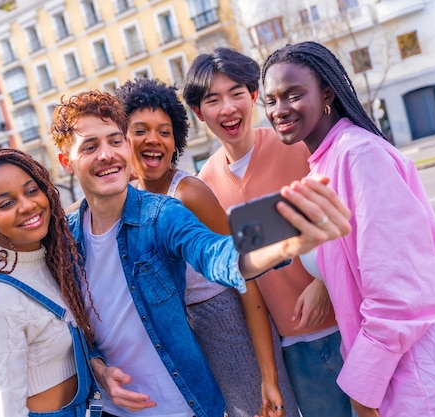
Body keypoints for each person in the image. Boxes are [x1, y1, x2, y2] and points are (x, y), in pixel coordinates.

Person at [49, 89, 351, 417]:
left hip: (185, 404)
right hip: (113, 409)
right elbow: (77, 321)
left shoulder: (161, 214)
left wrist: (280, 243)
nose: (107, 155)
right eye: (91, 147)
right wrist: (96, 365)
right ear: (67, 162)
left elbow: (215, 254)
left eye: (114, 141)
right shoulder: (67, 236)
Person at [260, 40, 435, 417]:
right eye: (271, 100)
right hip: (400, 376)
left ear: (327, 93)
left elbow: (400, 294)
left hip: (422, 381)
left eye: (293, 94)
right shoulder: (325, 162)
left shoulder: (358, 155)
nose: (280, 109)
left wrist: (362, 389)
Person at [183, 47, 353, 417]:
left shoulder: (294, 144)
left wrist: (324, 281)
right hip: (291, 345)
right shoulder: (203, 186)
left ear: (254, 96)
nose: (227, 108)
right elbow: (239, 272)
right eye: (213, 100)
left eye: (237, 94)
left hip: (346, 323)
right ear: (199, 113)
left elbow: (346, 216)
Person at [115, 77, 299, 417]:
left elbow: (247, 281)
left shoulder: (189, 194)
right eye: (140, 130)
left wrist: (268, 378)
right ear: (122, 138)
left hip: (231, 330)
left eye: (164, 131)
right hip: (185, 337)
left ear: (176, 141)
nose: (154, 140)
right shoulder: (125, 196)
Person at [0, 148, 99, 417]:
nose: (28, 205)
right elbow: (3, 411)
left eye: (31, 191)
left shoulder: (47, 260)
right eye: (5, 204)